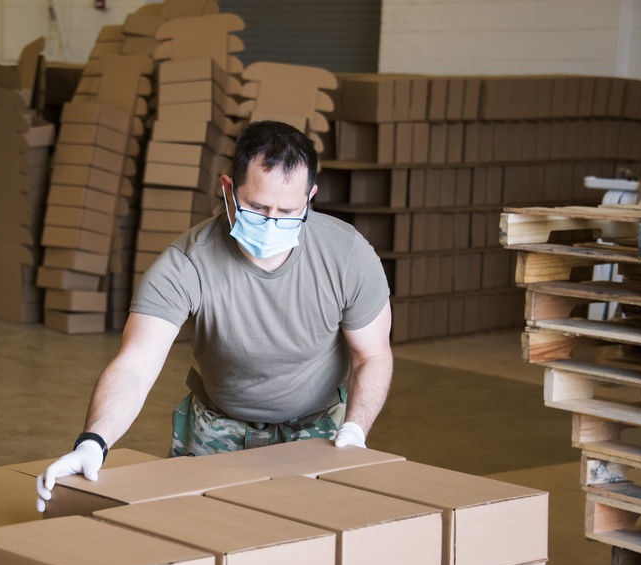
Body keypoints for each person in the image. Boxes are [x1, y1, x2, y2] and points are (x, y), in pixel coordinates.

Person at [37, 120, 392, 512]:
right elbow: (137, 364)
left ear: (310, 196)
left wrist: (355, 430)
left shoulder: (347, 256)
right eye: (257, 208)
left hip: (320, 429)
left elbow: (371, 355)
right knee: (198, 531)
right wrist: (94, 441)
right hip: (218, 427)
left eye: (288, 211)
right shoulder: (186, 264)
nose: (272, 223)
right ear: (228, 190)